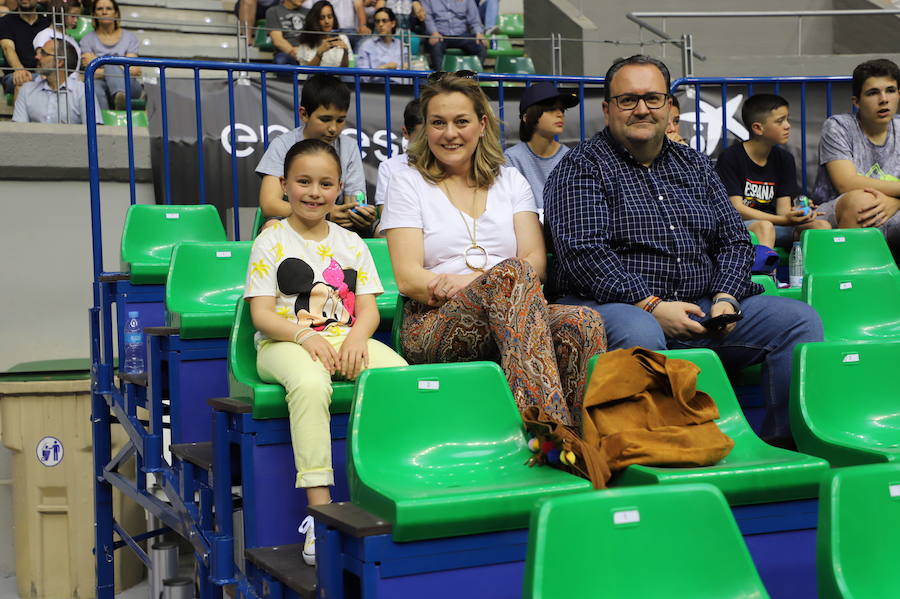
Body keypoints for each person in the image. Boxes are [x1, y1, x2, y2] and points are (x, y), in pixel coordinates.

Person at [543, 55, 823, 446]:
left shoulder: (695, 164)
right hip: (617, 308)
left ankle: (786, 446)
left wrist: (726, 296)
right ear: (607, 110)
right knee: (638, 328)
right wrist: (651, 305)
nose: (642, 108)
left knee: (798, 320)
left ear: (669, 107)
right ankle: (650, 455)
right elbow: (586, 255)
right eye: (627, 100)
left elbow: (735, 241)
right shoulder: (580, 167)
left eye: (653, 98)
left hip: (705, 306)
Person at [380, 73, 606, 428]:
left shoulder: (511, 180)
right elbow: (409, 279)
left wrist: (490, 286)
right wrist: (487, 287)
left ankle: (588, 436)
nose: (449, 133)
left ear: (482, 124)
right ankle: (549, 435)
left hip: (515, 307)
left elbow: (536, 263)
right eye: (438, 123)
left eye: (461, 121)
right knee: (510, 275)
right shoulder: (408, 182)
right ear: (425, 128)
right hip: (434, 321)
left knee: (582, 322)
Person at [245, 138, 407, 566]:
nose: (314, 192)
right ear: (283, 185)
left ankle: (389, 488)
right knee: (311, 383)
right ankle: (320, 513)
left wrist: (356, 339)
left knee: (401, 378)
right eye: (303, 182)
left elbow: (368, 312)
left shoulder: (352, 242)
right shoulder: (270, 239)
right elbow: (262, 315)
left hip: (344, 339)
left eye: (325, 183)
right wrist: (305, 338)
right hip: (283, 342)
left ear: (340, 189)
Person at [255, 73, 376, 235]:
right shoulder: (282, 145)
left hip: (334, 225)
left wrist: (358, 214)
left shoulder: (349, 146)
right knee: (272, 227)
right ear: (304, 114)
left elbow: (353, 202)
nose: (333, 128)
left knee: (378, 231)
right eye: (325, 119)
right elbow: (269, 205)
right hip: (289, 221)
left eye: (340, 120)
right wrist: (324, 214)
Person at [717, 93, 831, 250]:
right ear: (758, 128)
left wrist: (798, 214)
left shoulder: (784, 159)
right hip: (742, 228)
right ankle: (766, 275)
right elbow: (737, 209)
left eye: (787, 119)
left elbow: (783, 210)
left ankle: (813, 274)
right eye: (780, 121)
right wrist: (783, 220)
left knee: (820, 226)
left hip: (777, 224)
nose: (787, 125)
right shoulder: (730, 157)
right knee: (765, 227)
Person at [811, 58, 900, 253]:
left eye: (890, 90)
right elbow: (847, 183)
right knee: (862, 201)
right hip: (839, 210)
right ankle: (852, 278)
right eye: (872, 93)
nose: (883, 99)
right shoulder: (839, 126)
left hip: (893, 210)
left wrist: (895, 201)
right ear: (856, 102)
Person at [503, 81, 578, 217]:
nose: (560, 114)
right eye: (550, 109)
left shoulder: (570, 158)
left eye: (562, 109)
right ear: (527, 117)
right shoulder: (511, 159)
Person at [13, 37, 101, 123]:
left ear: (60, 62)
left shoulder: (83, 91)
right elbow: (18, 132)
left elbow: (94, 132)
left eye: (43, 53)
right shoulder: (26, 90)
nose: (37, 57)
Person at [79, 0, 142, 111]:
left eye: (108, 8)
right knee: (95, 88)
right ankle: (106, 123)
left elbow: (134, 70)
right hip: (100, 84)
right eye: (99, 9)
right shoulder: (86, 40)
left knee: (108, 62)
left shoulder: (130, 38)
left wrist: (100, 62)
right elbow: (90, 73)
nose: (104, 12)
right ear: (94, 14)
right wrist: (119, 67)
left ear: (116, 13)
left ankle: (120, 95)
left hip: (130, 86)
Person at [374, 97, 421, 221]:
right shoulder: (389, 167)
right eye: (422, 138)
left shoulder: (448, 164)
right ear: (405, 132)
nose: (429, 143)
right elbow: (386, 216)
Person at [0, 0, 50, 99]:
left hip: (42, 73)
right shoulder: (5, 21)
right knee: (21, 81)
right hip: (14, 74)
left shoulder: (46, 22)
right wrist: (20, 70)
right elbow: (7, 48)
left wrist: (43, 73)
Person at [421, 0, 485, 70]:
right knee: (436, 45)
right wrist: (434, 32)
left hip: (462, 35)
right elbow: (428, 18)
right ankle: (440, 77)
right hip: (440, 34)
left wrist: (479, 33)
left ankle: (474, 76)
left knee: (480, 44)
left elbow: (474, 20)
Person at [295, 0, 351, 69]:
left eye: (330, 17)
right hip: (312, 79)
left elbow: (345, 70)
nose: (327, 21)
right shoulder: (307, 39)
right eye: (322, 18)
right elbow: (307, 71)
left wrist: (345, 53)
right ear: (315, 20)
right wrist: (319, 54)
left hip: (334, 79)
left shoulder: (342, 38)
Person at [32, 0, 83, 74]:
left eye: (77, 17)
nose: (75, 20)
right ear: (60, 13)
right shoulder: (45, 35)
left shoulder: (71, 39)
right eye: (72, 16)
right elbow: (42, 64)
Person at [356, 6, 404, 82]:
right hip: (376, 89)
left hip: (400, 89)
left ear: (393, 23)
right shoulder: (366, 46)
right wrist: (386, 67)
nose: (380, 24)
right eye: (377, 21)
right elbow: (363, 76)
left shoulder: (401, 46)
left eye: (384, 21)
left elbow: (407, 69)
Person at [265, 0, 309, 66]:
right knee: (281, 60)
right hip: (287, 53)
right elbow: (278, 41)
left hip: (307, 52)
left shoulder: (310, 12)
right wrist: (297, 53)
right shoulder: (273, 11)